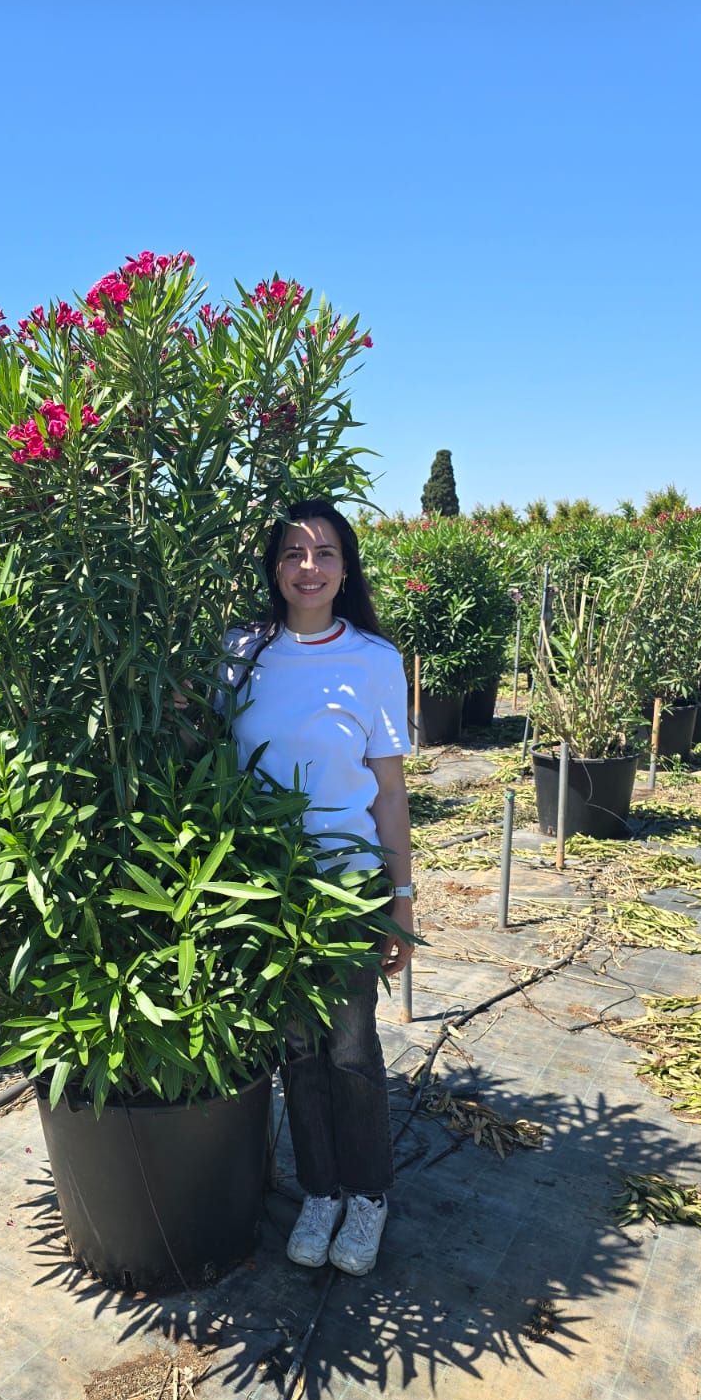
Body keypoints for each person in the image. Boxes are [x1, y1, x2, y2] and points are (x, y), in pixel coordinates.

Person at [217, 499, 415, 1276]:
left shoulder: (372, 658)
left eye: (326, 553)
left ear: (346, 568)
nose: (309, 567)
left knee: (351, 1045)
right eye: (294, 552)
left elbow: (391, 790)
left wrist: (401, 899)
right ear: (273, 566)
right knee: (296, 1046)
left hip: (346, 881)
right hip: (263, 882)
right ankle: (320, 1190)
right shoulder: (240, 653)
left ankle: (367, 1195)